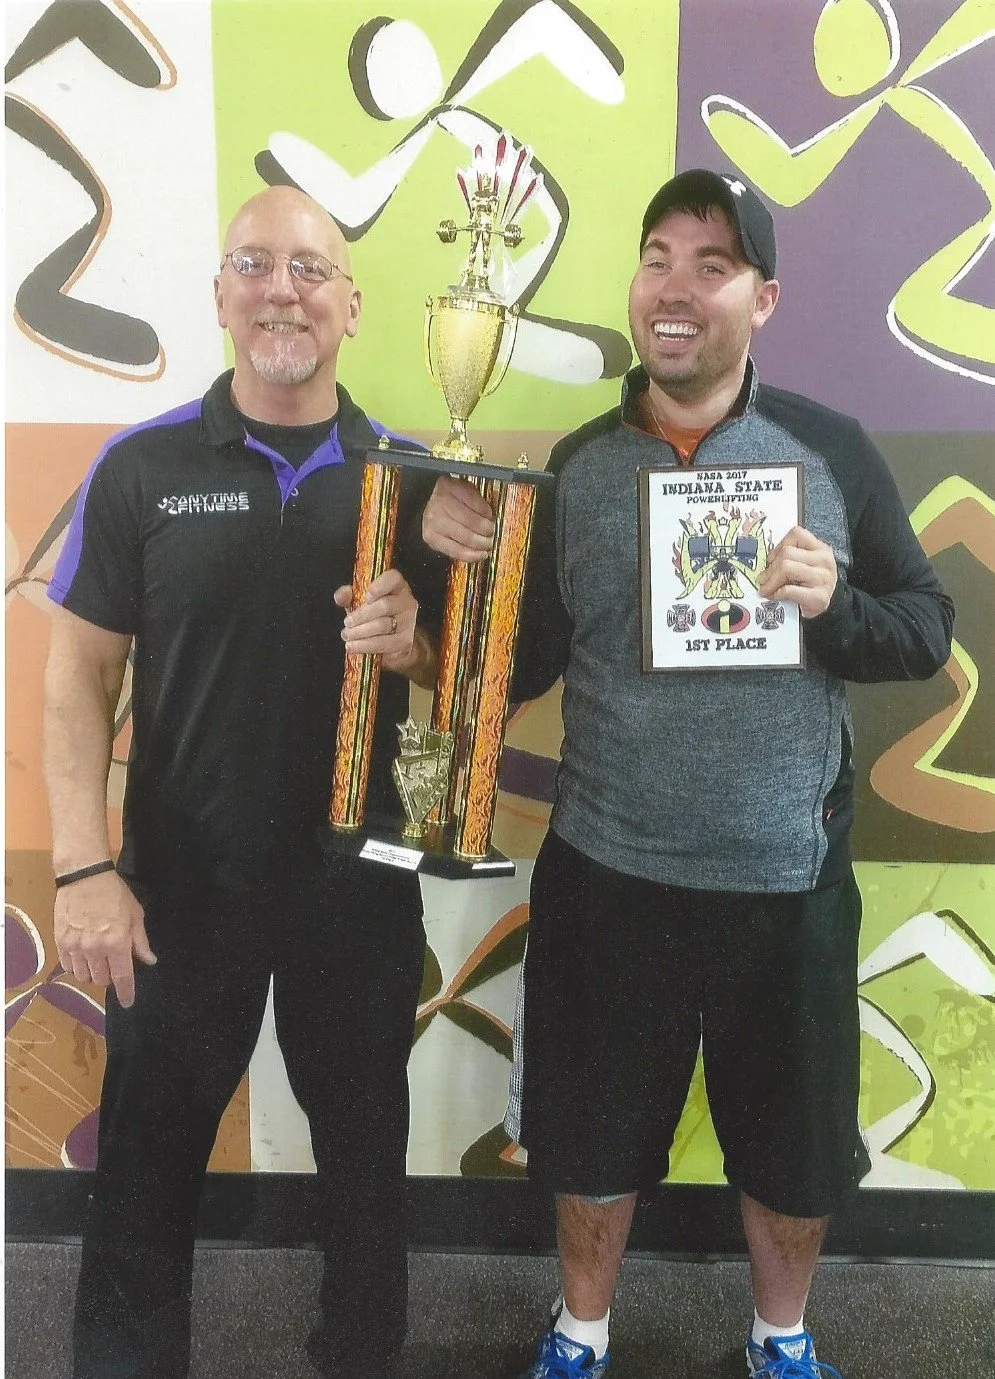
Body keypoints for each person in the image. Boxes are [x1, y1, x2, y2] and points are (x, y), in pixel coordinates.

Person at [421, 169, 954, 1379]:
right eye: (656, 256)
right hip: (609, 870)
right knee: (589, 1135)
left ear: (761, 297)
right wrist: (450, 577)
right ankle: (580, 1329)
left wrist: (833, 608)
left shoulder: (827, 449)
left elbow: (922, 629)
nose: (674, 287)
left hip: (786, 878)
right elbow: (522, 665)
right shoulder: (577, 464)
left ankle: (778, 1336)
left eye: (709, 264)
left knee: (791, 1149)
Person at [43, 185, 443, 1379]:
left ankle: (358, 1360)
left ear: (351, 305)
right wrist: (84, 868)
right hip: (177, 890)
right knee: (148, 1162)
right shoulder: (144, 469)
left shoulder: (415, 480)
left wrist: (415, 642)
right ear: (220, 293)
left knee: (367, 1165)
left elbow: (465, 683)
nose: (283, 289)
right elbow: (76, 679)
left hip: (355, 887)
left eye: (310, 269)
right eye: (255, 264)